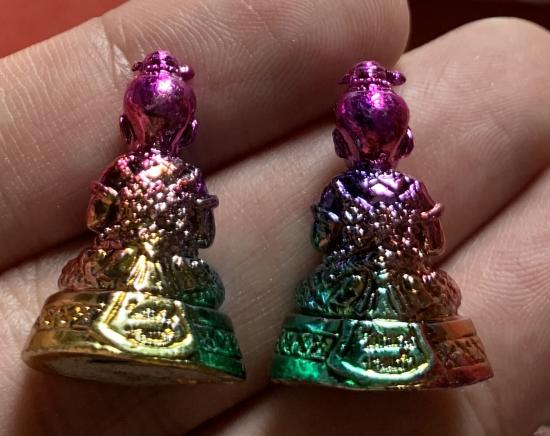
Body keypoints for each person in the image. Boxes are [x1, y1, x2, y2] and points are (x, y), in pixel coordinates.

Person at [0, 1, 548, 435]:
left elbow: (102, 218)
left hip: (131, 267)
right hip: (399, 286)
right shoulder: (408, 189)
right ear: (405, 140)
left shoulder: (123, 170)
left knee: (317, 290)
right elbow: (427, 242)